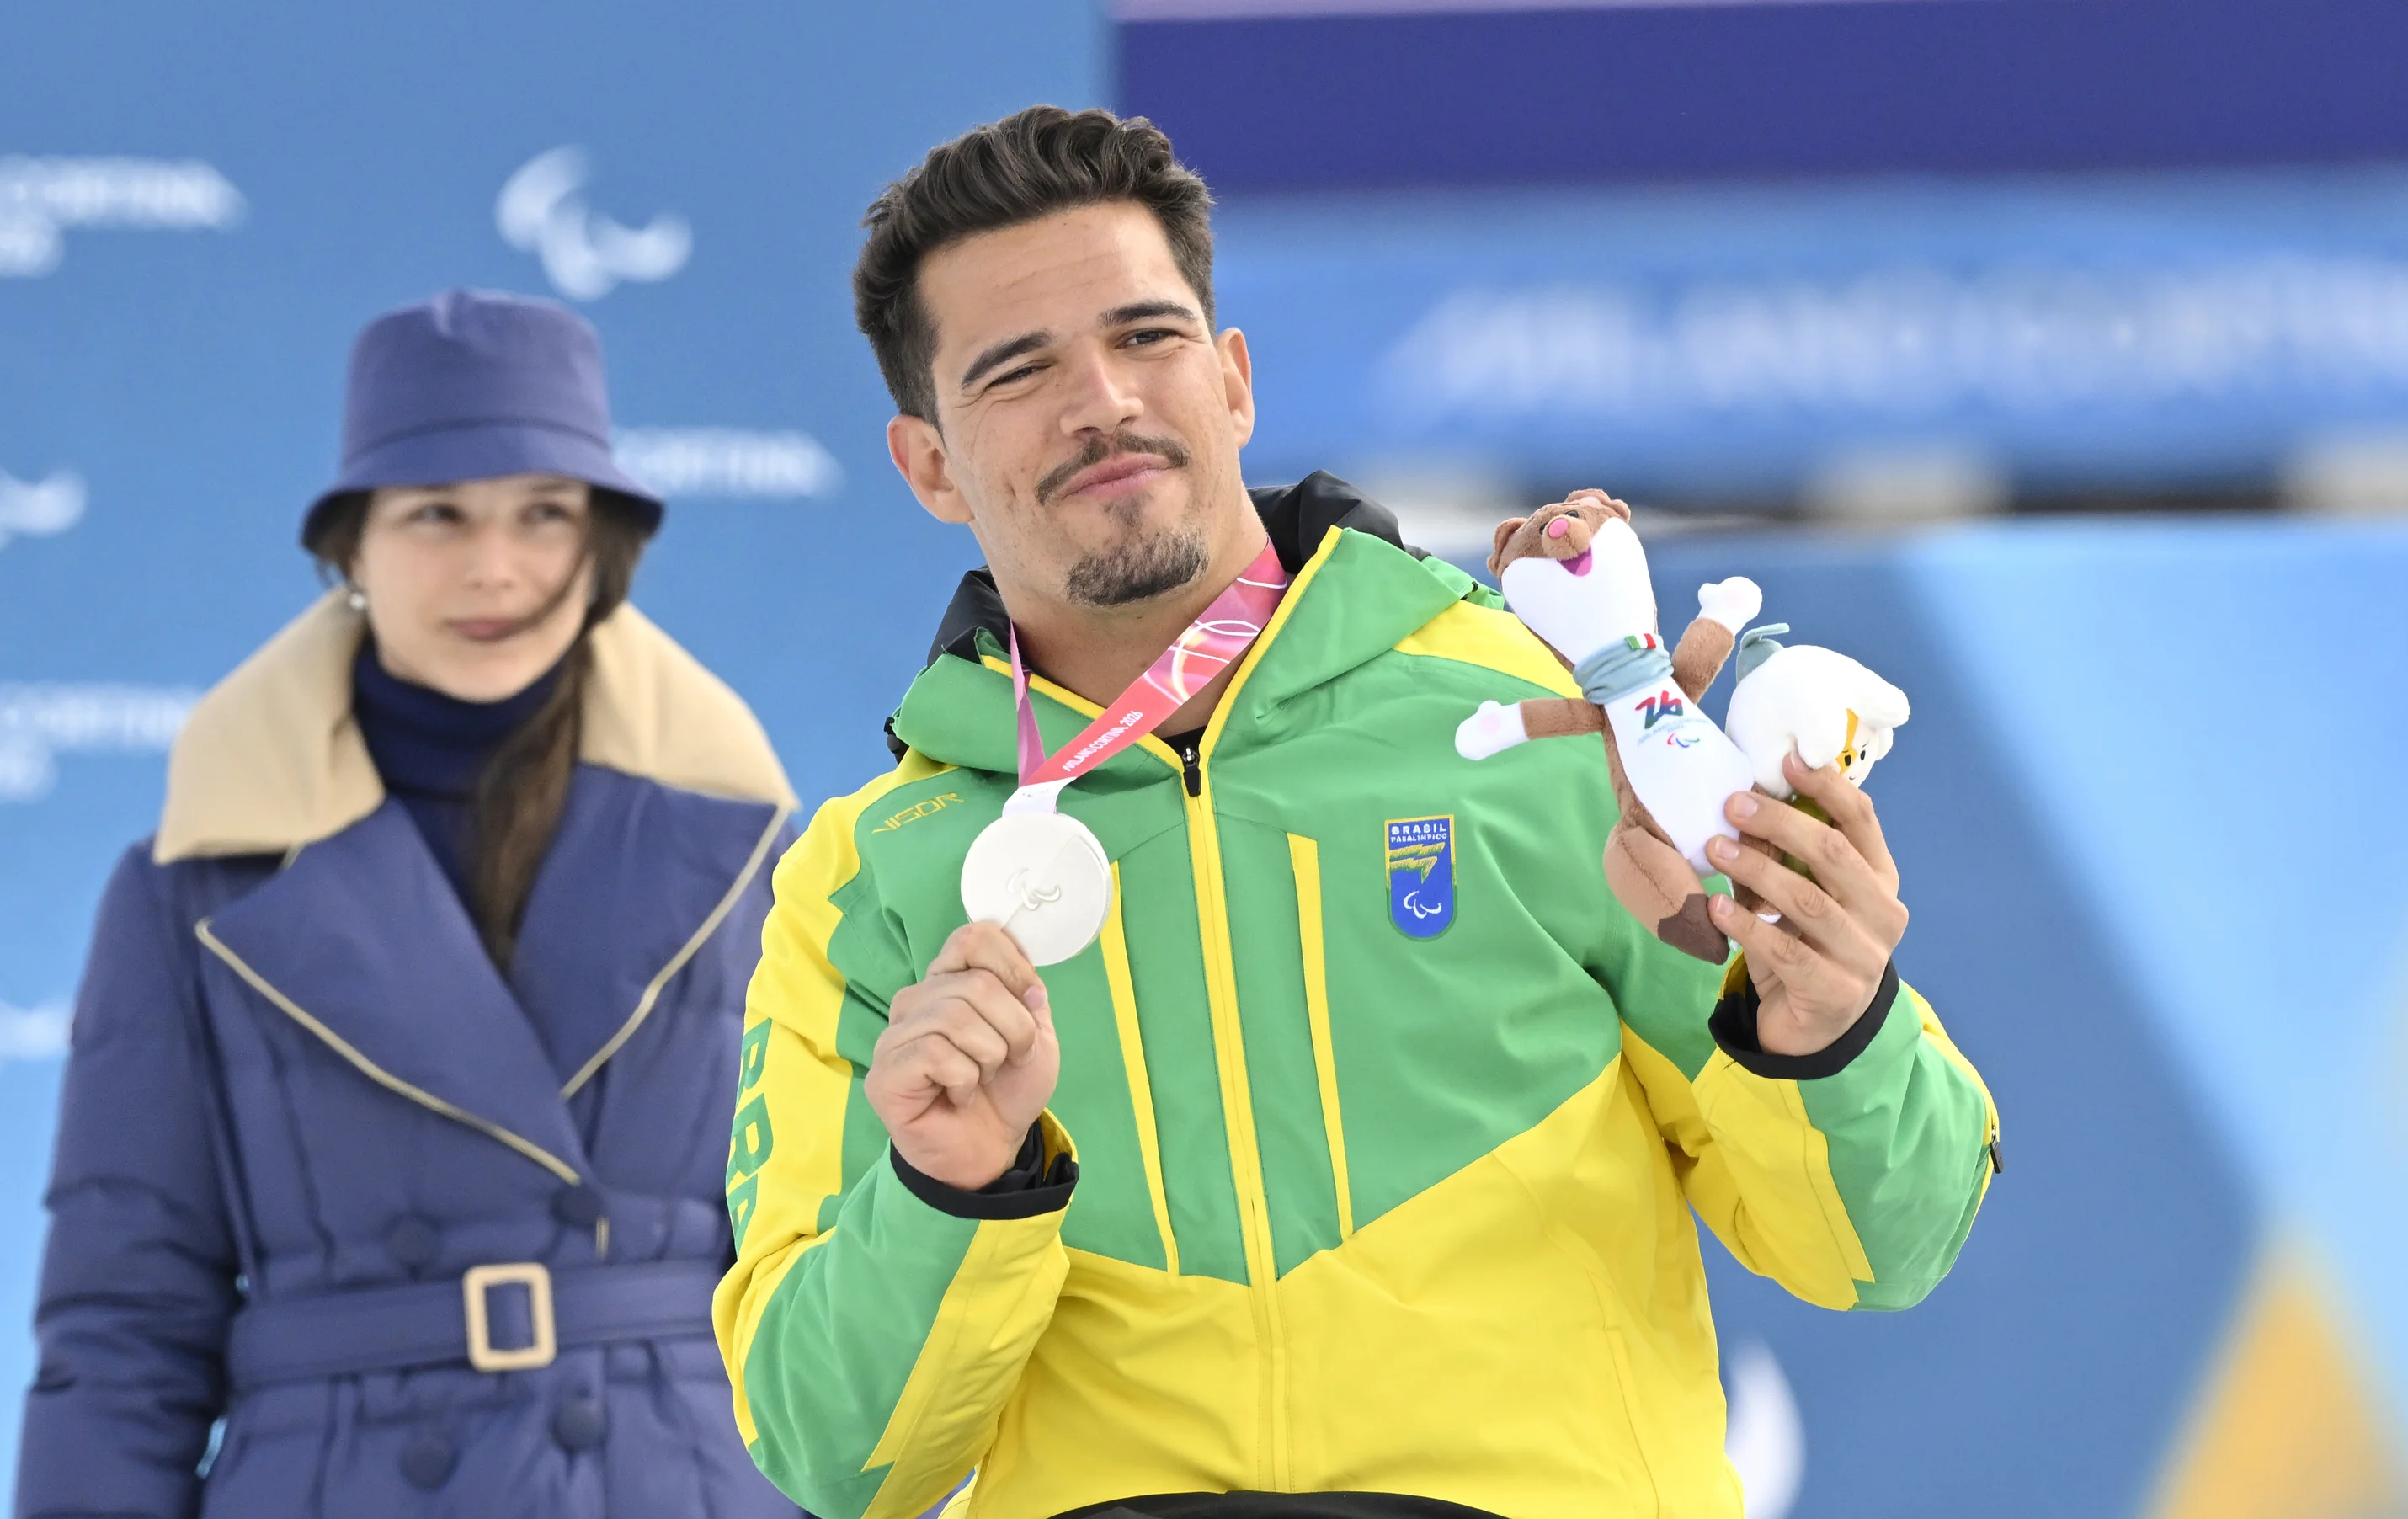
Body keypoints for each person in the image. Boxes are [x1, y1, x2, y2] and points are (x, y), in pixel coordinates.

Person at [714, 109, 2000, 1519]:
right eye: (1019, 370)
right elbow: (828, 1454)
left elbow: (1888, 1242)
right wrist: (951, 1191)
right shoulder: (870, 884)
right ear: (931, 465)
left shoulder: (1552, 720)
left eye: (1146, 337)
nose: (1102, 401)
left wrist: (1831, 1024)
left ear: (1233, 378)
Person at [18, 290, 807, 1516]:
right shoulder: (191, 887)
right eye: (435, 513)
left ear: (601, 546)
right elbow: (124, 1331)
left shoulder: (760, 859)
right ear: (351, 547)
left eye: (544, 515)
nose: (494, 567)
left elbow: (848, 1288)